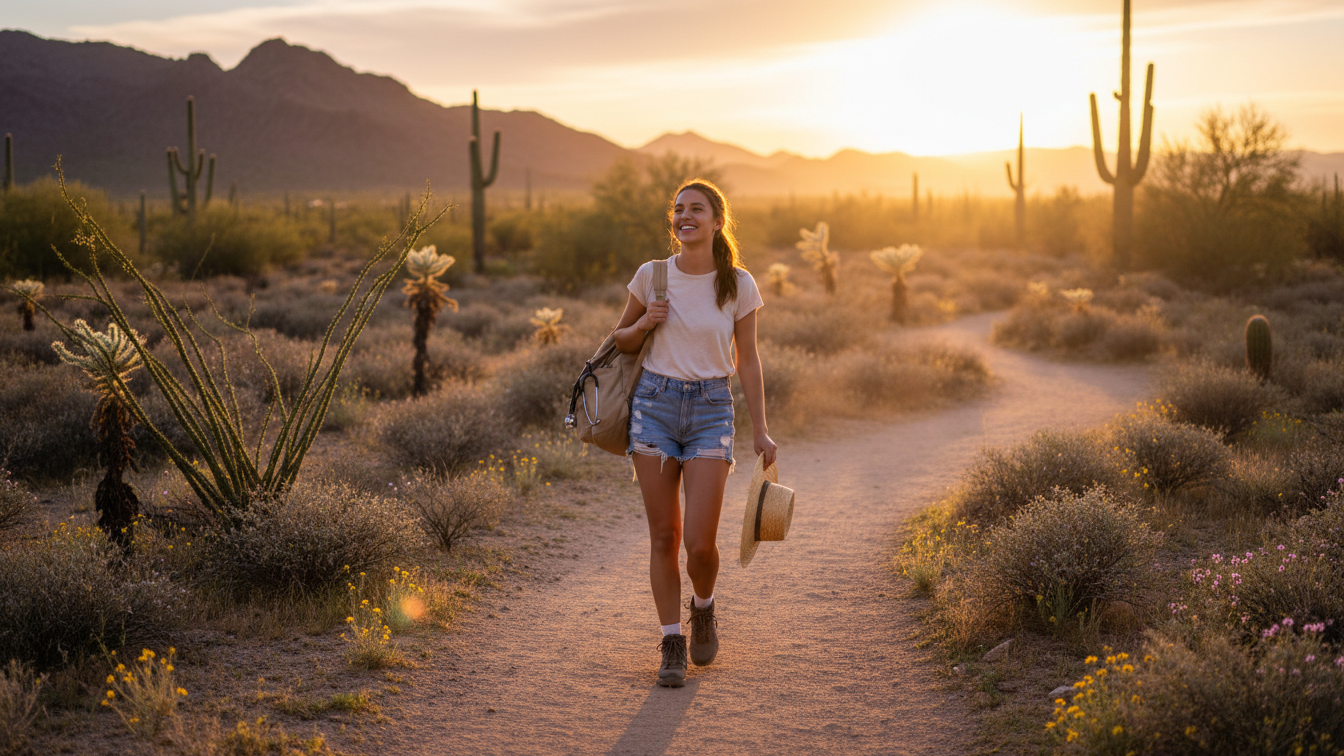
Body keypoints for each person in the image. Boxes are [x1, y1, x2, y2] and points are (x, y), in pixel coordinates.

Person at [611, 178, 777, 687]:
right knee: (665, 536)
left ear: (717, 221)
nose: (685, 216)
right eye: (679, 209)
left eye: (696, 209)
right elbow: (619, 341)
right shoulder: (652, 275)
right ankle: (671, 643)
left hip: (710, 410)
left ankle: (703, 607)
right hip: (654, 407)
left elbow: (748, 360)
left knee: (700, 546)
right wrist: (645, 323)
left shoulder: (737, 284)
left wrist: (761, 430)